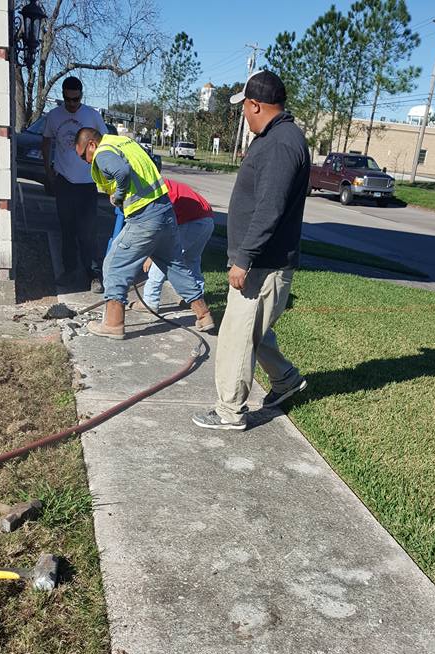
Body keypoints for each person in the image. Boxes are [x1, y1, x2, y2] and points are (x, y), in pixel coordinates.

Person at [192, 70, 310, 431]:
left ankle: (229, 411)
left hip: (262, 265)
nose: (243, 113)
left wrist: (243, 259)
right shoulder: (278, 138)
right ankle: (287, 380)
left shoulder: (280, 144)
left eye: (244, 106)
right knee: (252, 332)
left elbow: (269, 208)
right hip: (263, 262)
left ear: (256, 104)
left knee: (236, 337)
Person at [74, 128, 214, 339]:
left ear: (92, 144)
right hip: (165, 210)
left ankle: (112, 324)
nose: (86, 161)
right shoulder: (124, 143)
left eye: (84, 155)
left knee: (114, 264)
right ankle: (204, 315)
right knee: (175, 265)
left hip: (144, 217)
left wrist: (119, 195)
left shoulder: (103, 152)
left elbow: (121, 172)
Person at [43, 77, 106, 292]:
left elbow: (104, 144)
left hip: (87, 183)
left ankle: (94, 274)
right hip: (64, 182)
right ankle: (69, 270)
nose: (72, 104)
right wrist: (48, 169)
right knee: (67, 230)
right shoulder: (54, 116)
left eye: (76, 99)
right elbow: (46, 141)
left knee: (88, 232)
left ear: (81, 95)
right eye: (68, 99)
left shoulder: (92, 115)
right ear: (63, 96)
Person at [128, 178, 214, 312]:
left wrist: (151, 254)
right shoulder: (162, 183)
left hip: (190, 221)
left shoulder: (154, 191)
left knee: (165, 259)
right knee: (192, 260)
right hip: (206, 219)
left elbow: (158, 223)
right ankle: (195, 298)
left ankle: (150, 300)